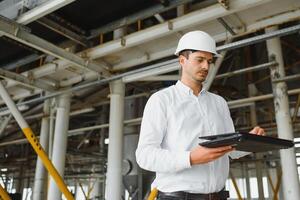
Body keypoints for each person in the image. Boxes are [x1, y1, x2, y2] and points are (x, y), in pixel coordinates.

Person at [135, 31, 265, 200]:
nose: (206, 66)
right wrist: (190, 158)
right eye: (200, 60)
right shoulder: (162, 100)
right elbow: (145, 155)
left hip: (218, 196)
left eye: (209, 61)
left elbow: (229, 150)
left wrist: (248, 142)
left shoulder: (219, 103)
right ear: (182, 60)